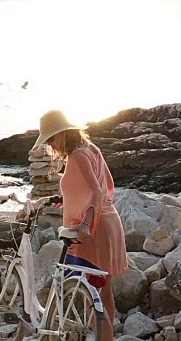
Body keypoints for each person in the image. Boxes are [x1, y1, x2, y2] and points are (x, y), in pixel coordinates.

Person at [31, 110, 128, 341]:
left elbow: (95, 190)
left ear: (63, 135)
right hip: (110, 224)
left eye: (51, 139)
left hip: (91, 232)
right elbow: (107, 187)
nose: (51, 145)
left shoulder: (77, 156)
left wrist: (85, 222)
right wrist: (65, 201)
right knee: (103, 294)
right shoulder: (92, 149)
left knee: (89, 295)